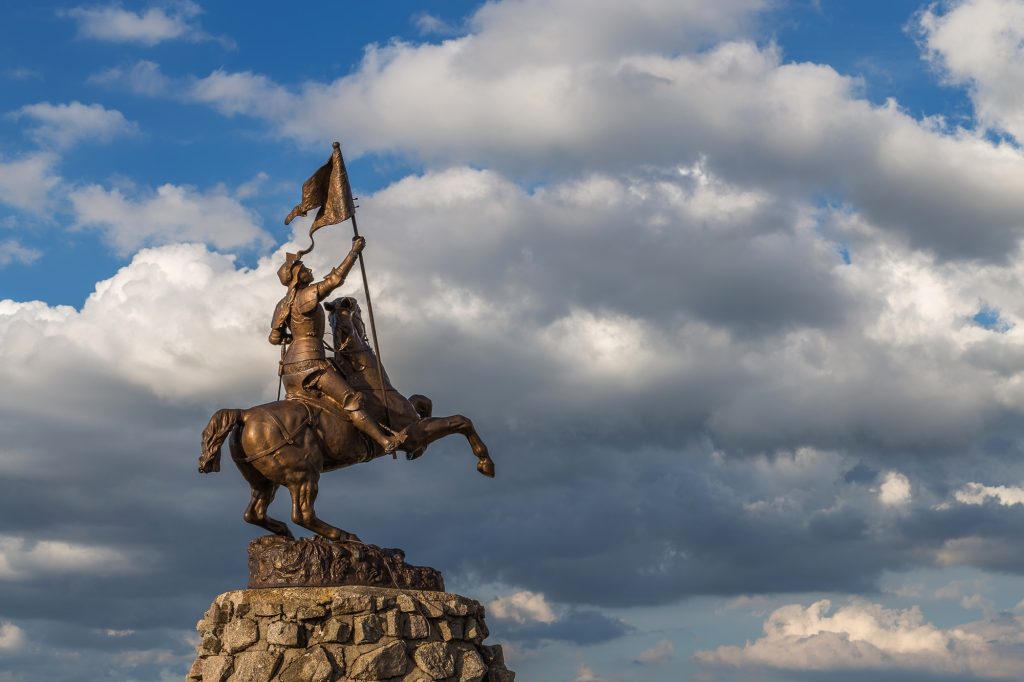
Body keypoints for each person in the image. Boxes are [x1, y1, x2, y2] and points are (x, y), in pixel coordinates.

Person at [269, 236, 403, 453]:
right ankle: (386, 441)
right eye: (304, 268)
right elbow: (335, 280)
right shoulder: (307, 295)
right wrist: (353, 252)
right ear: (298, 276)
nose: (309, 269)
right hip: (311, 365)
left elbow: (274, 338)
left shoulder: (282, 304)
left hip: (289, 373)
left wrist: (295, 337)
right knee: (351, 399)